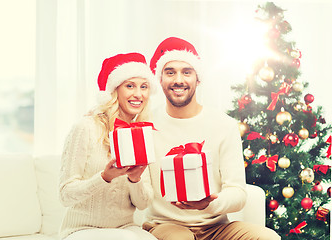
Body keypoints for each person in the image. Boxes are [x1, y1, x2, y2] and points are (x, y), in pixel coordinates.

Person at [142, 37, 281, 240]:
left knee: (268, 238)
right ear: (160, 79)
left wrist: (210, 203)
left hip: (216, 227)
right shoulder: (146, 124)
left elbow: (237, 192)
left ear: (197, 79)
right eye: (170, 72)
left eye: (186, 72)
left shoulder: (223, 125)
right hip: (165, 225)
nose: (178, 80)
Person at [59, 52, 158, 240]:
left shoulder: (141, 133)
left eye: (144, 86)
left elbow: (143, 203)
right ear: (114, 91)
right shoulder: (86, 127)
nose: (138, 94)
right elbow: (65, 195)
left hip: (125, 227)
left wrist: (135, 180)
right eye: (130, 86)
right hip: (80, 229)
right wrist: (104, 177)